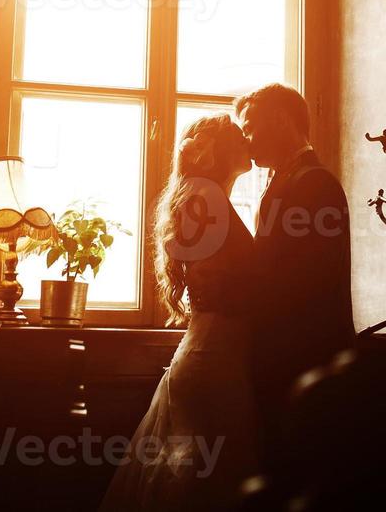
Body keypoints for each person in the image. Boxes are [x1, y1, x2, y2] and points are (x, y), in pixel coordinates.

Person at [99, 113, 260, 511]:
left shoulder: (207, 195)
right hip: (214, 358)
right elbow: (214, 283)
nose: (248, 140)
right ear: (219, 150)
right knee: (201, 483)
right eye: (239, 136)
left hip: (214, 353)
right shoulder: (205, 197)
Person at [233, 83, 355, 484]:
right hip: (281, 354)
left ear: (282, 120)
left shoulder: (316, 184)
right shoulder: (286, 180)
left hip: (303, 357)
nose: (245, 139)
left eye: (250, 127)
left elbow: (308, 281)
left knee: (299, 472)